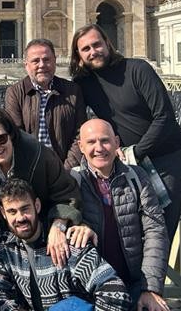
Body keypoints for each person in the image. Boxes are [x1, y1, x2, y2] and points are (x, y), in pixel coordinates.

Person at [70, 23, 181, 242]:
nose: (93, 51)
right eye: (86, 49)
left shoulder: (137, 69)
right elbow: (72, 118)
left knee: (159, 234)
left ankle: (154, 277)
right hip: (126, 166)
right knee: (129, 237)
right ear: (78, 55)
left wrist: (136, 151)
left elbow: (164, 116)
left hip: (164, 162)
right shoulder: (84, 83)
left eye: (97, 44)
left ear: (108, 43)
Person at [0, 109, 83, 291]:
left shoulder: (39, 154)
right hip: (3, 240)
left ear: (11, 135)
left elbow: (67, 193)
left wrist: (58, 224)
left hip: (43, 233)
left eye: (1, 138)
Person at [0, 179, 132, 310]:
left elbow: (115, 294)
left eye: (25, 209)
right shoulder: (5, 246)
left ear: (37, 206)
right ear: (3, 213)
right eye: (12, 212)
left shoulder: (69, 242)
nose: (20, 218)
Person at [72, 119, 170, 310]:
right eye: (91, 142)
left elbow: (155, 231)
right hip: (89, 288)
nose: (99, 148)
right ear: (81, 147)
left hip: (132, 283)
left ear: (117, 142)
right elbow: (62, 223)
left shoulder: (137, 176)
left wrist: (149, 288)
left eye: (105, 140)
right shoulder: (73, 181)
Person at [4, 39, 86, 170]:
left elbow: (80, 134)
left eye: (47, 59)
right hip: (31, 168)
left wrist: (66, 170)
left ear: (55, 61)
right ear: (26, 64)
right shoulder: (14, 92)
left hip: (67, 170)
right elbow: (15, 134)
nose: (42, 65)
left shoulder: (73, 90)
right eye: (35, 61)